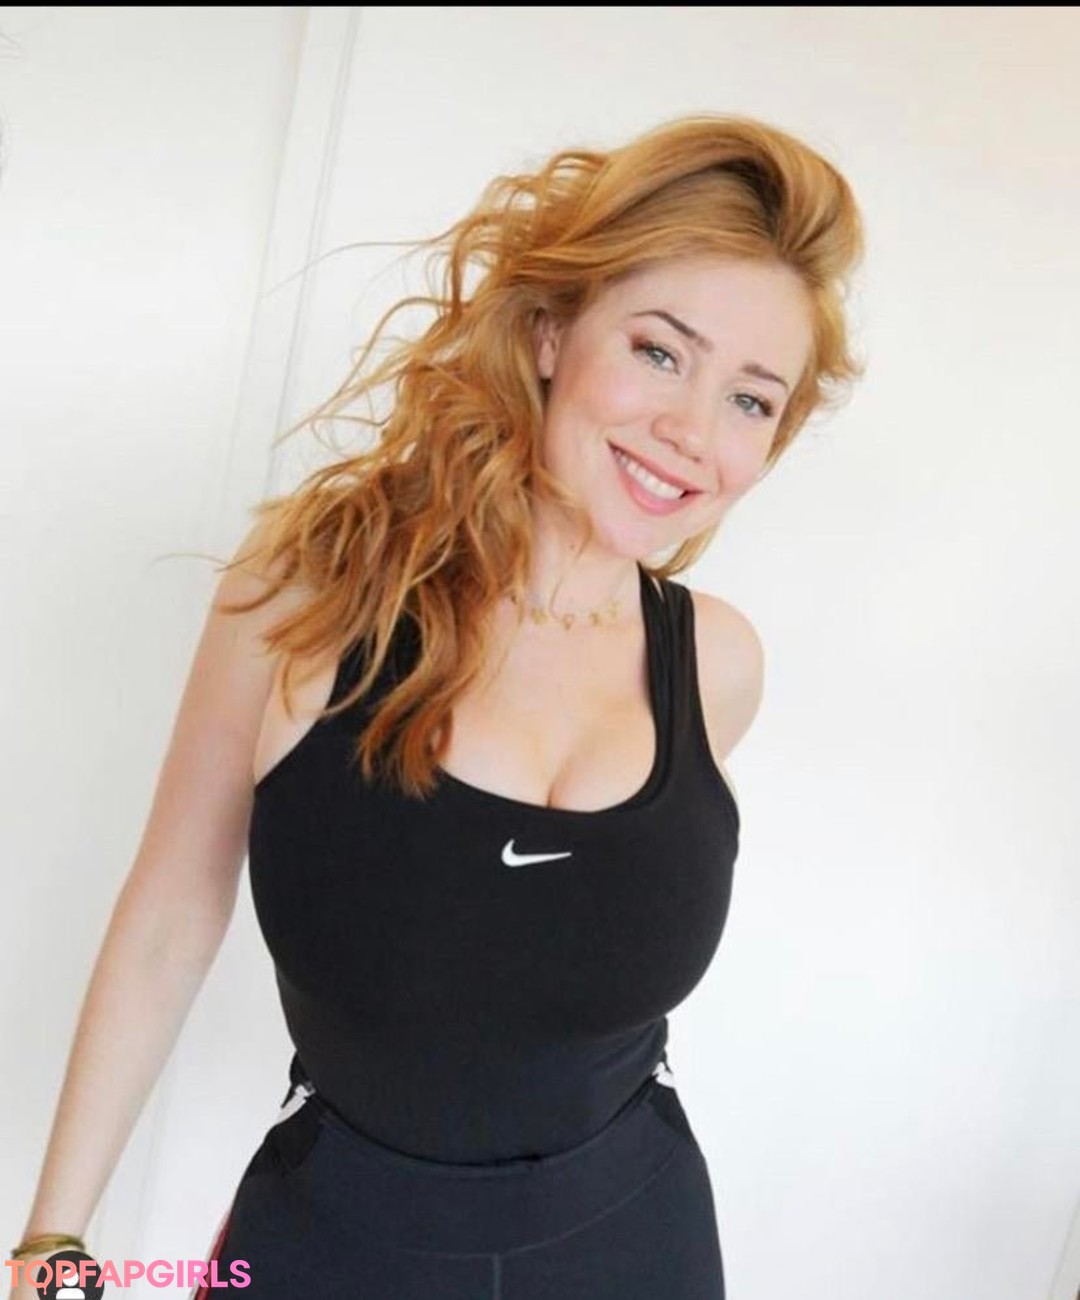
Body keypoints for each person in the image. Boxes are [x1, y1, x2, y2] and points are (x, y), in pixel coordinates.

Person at [10, 113, 863, 1299]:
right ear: (553, 331)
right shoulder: (310, 595)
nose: (692, 433)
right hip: (333, 1245)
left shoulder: (716, 666)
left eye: (751, 401)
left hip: (634, 1242)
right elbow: (170, 913)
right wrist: (52, 1242)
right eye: (661, 352)